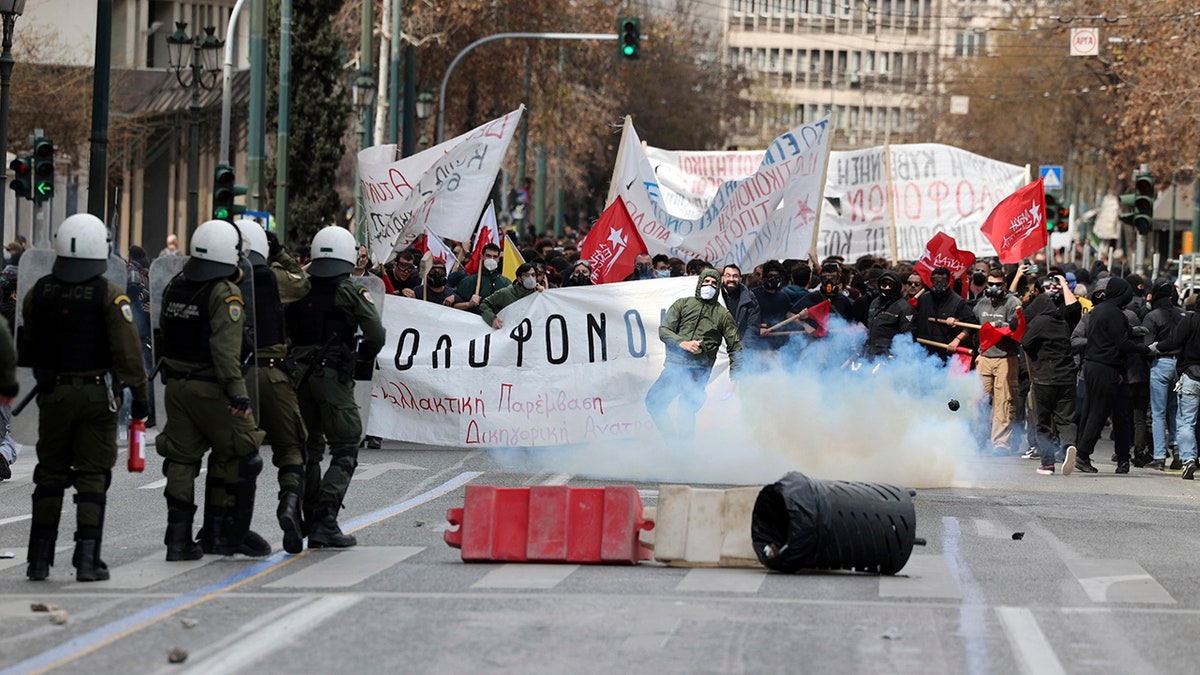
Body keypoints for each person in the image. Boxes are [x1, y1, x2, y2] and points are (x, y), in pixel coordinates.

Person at [20, 213, 146, 581]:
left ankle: (38, 560)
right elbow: (128, 354)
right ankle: (87, 560)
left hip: (53, 394)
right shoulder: (109, 294)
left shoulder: (38, 291)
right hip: (95, 395)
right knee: (92, 475)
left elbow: (27, 345)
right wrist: (140, 396)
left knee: (50, 473)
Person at [157, 220, 266, 562]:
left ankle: (178, 540)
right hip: (212, 389)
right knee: (243, 450)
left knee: (181, 459)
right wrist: (239, 396)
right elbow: (225, 353)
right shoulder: (225, 294)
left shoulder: (175, 286)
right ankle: (224, 533)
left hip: (176, 387)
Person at [286, 226, 386, 548]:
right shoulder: (350, 291)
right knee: (345, 445)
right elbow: (376, 334)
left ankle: (309, 514)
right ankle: (326, 519)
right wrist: (359, 361)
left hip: (299, 378)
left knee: (310, 450)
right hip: (332, 377)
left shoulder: (298, 288)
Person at [235, 220, 311, 554]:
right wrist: (280, 252)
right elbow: (302, 281)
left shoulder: (226, 280)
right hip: (275, 373)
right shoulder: (274, 278)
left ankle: (233, 527)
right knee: (292, 447)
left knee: (241, 454)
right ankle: (289, 506)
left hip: (239, 376)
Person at [645, 269, 742, 438]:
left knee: (685, 410)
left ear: (718, 287)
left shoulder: (722, 314)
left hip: (699, 370)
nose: (709, 286)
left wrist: (735, 376)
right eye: (707, 281)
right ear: (700, 283)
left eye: (714, 283)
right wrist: (681, 342)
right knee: (653, 402)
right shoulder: (682, 304)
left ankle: (685, 453)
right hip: (675, 367)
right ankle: (673, 443)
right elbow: (664, 330)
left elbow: (735, 346)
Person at [1073, 277, 1150, 474]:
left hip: (1093, 366)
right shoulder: (1115, 313)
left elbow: (1106, 336)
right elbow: (1121, 344)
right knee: (1100, 413)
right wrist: (1144, 349)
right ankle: (1082, 454)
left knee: (1092, 411)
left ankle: (1083, 452)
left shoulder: (1097, 311)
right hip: (1107, 368)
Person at [1021, 275, 1082, 475]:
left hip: (1043, 379)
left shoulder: (1038, 322)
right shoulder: (1063, 322)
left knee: (1043, 422)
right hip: (1066, 377)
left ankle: (1047, 464)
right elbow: (1074, 310)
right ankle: (1069, 444)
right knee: (1066, 419)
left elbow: (1026, 343)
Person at [974, 269, 1022, 454]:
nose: (994, 287)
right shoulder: (982, 303)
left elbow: (1016, 327)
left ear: (1004, 285)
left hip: (1005, 358)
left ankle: (1001, 443)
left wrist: (1000, 326)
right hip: (984, 357)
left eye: (998, 284)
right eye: (991, 283)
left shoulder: (1012, 303)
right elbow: (971, 320)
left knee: (1003, 401)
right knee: (978, 399)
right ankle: (978, 438)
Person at [1142, 280, 1185, 470]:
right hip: (1181, 366)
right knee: (1176, 411)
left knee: (1158, 412)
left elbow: (1147, 346)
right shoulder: (1183, 315)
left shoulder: (1152, 316)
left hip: (1160, 363)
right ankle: (1177, 449)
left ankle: (1159, 456)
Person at [911, 266, 977, 360]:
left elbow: (972, 323)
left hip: (945, 353)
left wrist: (957, 339)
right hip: (923, 351)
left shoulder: (957, 301)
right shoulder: (923, 298)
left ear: (949, 282)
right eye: (935, 280)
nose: (939, 284)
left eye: (943, 281)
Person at [863, 270, 913, 359]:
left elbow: (908, 337)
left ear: (897, 287)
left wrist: (895, 356)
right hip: (870, 353)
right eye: (884, 285)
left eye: (890, 285)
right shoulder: (874, 303)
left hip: (888, 356)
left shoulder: (904, 307)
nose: (887, 288)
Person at [480, 262, 545, 329]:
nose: (531, 278)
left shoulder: (537, 293)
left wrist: (544, 293)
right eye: (526, 275)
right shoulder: (506, 293)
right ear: (519, 279)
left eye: (533, 275)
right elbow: (484, 304)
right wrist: (492, 319)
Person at [454, 243, 510, 313]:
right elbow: (453, 305)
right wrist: (468, 304)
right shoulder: (470, 280)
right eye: (488, 256)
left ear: (499, 259)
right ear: (482, 257)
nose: (491, 259)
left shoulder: (506, 283)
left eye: (495, 257)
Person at [720, 264, 761, 356]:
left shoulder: (749, 298)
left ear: (740, 279)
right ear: (722, 278)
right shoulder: (715, 296)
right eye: (728, 276)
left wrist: (742, 348)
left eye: (735, 276)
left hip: (742, 351)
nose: (731, 279)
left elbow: (753, 326)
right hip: (718, 351)